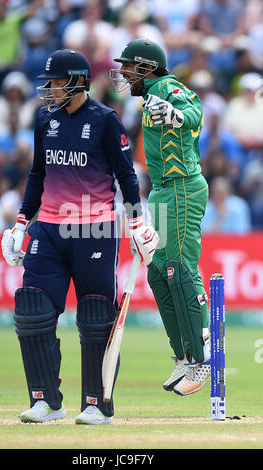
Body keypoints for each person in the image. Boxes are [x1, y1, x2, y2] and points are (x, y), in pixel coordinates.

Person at [1, 48, 158, 424]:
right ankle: (46, 401)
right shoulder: (44, 119)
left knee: (95, 318)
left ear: (76, 81)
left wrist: (137, 221)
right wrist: (22, 222)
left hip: (96, 228)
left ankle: (96, 403)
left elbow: (126, 177)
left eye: (56, 82)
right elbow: (38, 175)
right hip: (49, 229)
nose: (50, 90)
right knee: (32, 310)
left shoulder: (105, 120)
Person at [110, 38, 211, 396]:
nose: (122, 73)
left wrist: (178, 115)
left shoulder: (167, 86)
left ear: (146, 67)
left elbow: (195, 112)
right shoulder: (148, 96)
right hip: (164, 189)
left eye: (128, 67)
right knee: (157, 270)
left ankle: (201, 359)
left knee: (179, 269)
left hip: (183, 184)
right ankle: (183, 355)